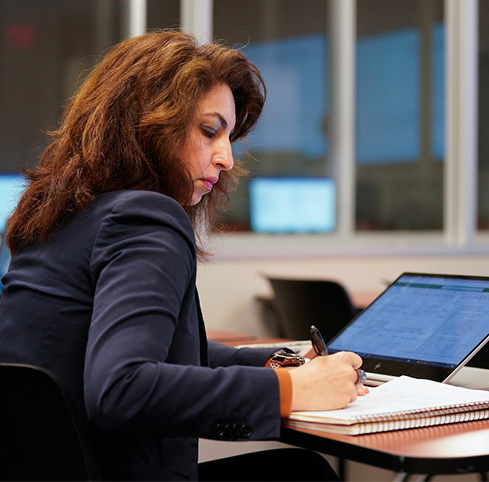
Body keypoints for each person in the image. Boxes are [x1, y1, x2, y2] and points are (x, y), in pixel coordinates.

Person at [0, 30, 364, 481]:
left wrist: (283, 362)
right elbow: (123, 388)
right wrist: (288, 390)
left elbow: (165, 350)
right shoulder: (145, 217)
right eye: (209, 131)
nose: (227, 158)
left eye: (228, 136)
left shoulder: (58, 215)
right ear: (147, 126)